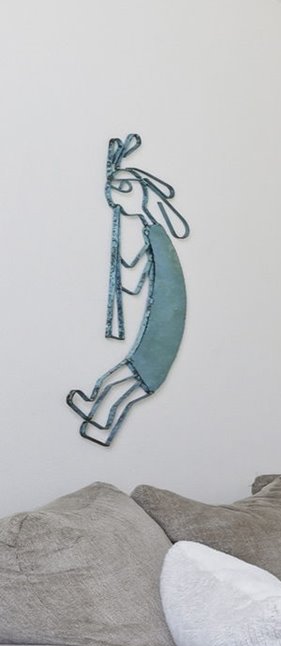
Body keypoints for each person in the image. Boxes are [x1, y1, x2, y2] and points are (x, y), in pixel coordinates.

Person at [65, 133, 189, 445]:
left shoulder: (158, 239)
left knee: (130, 385)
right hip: (154, 341)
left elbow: (136, 282)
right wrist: (122, 273)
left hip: (159, 343)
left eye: (123, 189)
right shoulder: (155, 237)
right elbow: (136, 280)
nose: (116, 197)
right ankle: (94, 405)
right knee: (125, 376)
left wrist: (123, 274)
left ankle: (104, 422)